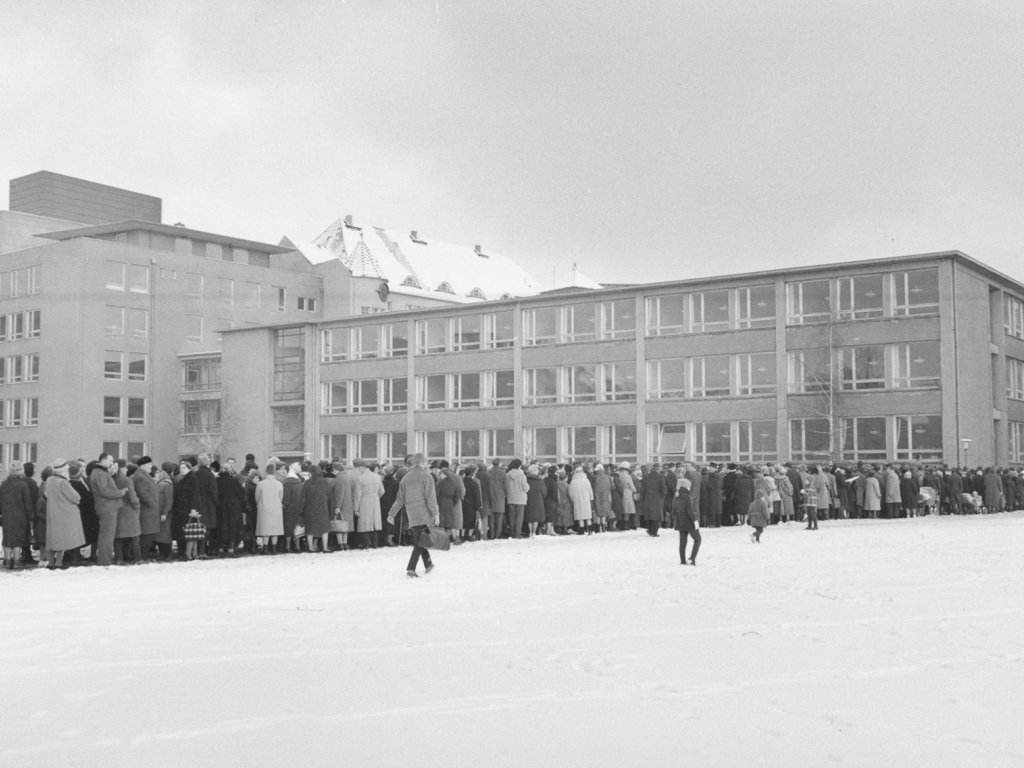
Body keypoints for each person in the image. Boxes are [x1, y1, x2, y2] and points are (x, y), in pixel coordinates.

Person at [386, 453, 439, 577]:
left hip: (412, 513)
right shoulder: (427, 476)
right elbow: (431, 497)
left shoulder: (406, 478)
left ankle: (428, 564)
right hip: (424, 512)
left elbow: (400, 499)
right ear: (423, 462)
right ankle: (411, 568)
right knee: (419, 542)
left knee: (420, 539)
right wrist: (435, 513)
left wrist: (392, 514)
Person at [43, 459, 83, 570]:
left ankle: (50, 562)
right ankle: (59, 562)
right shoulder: (63, 482)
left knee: (52, 539)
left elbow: (46, 494)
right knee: (61, 539)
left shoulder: (49, 480)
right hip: (64, 513)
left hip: (52, 512)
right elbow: (76, 497)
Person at [89, 453, 127, 566]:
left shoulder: (100, 472)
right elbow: (104, 491)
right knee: (107, 535)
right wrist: (120, 493)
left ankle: (105, 559)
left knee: (106, 534)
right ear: (103, 460)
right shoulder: (100, 473)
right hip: (107, 507)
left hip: (106, 506)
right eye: (110, 460)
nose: (112, 463)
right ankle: (105, 560)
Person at [0, 461, 34, 569]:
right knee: (17, 540)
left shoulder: (4, 485)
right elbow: (27, 503)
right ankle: (16, 562)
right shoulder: (23, 485)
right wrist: (31, 517)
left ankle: (7, 561)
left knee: (7, 539)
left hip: (7, 516)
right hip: (20, 516)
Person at [352, 460, 385, 548]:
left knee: (365, 524)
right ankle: (375, 544)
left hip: (364, 501)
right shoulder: (377, 477)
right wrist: (376, 497)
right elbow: (382, 491)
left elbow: (357, 495)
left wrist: (356, 509)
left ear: (362, 467)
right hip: (375, 501)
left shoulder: (360, 478)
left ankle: (365, 545)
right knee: (374, 524)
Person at [133, 456, 160, 560]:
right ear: (143, 465)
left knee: (149, 534)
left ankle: (145, 555)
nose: (151, 467)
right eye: (149, 465)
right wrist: (152, 503)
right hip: (147, 511)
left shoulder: (142, 474)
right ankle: (143, 556)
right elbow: (142, 492)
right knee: (147, 535)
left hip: (150, 510)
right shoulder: (140, 476)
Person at [256, 462, 285, 553]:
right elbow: (281, 497)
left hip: (264, 508)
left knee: (265, 530)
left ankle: (265, 548)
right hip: (276, 508)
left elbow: (257, 497)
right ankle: (274, 548)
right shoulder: (279, 484)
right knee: (275, 529)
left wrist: (259, 504)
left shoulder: (260, 484)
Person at [674, 477, 700, 565]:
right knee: (698, 539)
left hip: (680, 521)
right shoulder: (687, 497)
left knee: (682, 541)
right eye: (689, 485)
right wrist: (695, 521)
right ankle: (692, 558)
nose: (690, 487)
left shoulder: (676, 496)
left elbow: (673, 510)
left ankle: (682, 560)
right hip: (689, 522)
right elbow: (690, 511)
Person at [505, 459, 528, 539]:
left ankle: (512, 533)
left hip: (511, 498)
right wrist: (527, 488)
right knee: (519, 517)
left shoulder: (507, 475)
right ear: (519, 465)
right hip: (520, 498)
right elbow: (525, 487)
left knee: (511, 517)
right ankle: (518, 533)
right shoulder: (522, 475)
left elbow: (506, 487)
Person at [569, 466, 595, 534]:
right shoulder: (586, 480)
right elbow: (590, 490)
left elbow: (570, 493)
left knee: (580, 515)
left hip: (577, 500)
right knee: (588, 515)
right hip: (586, 499)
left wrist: (572, 499)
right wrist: (591, 497)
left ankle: (581, 529)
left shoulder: (573, 481)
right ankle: (590, 528)